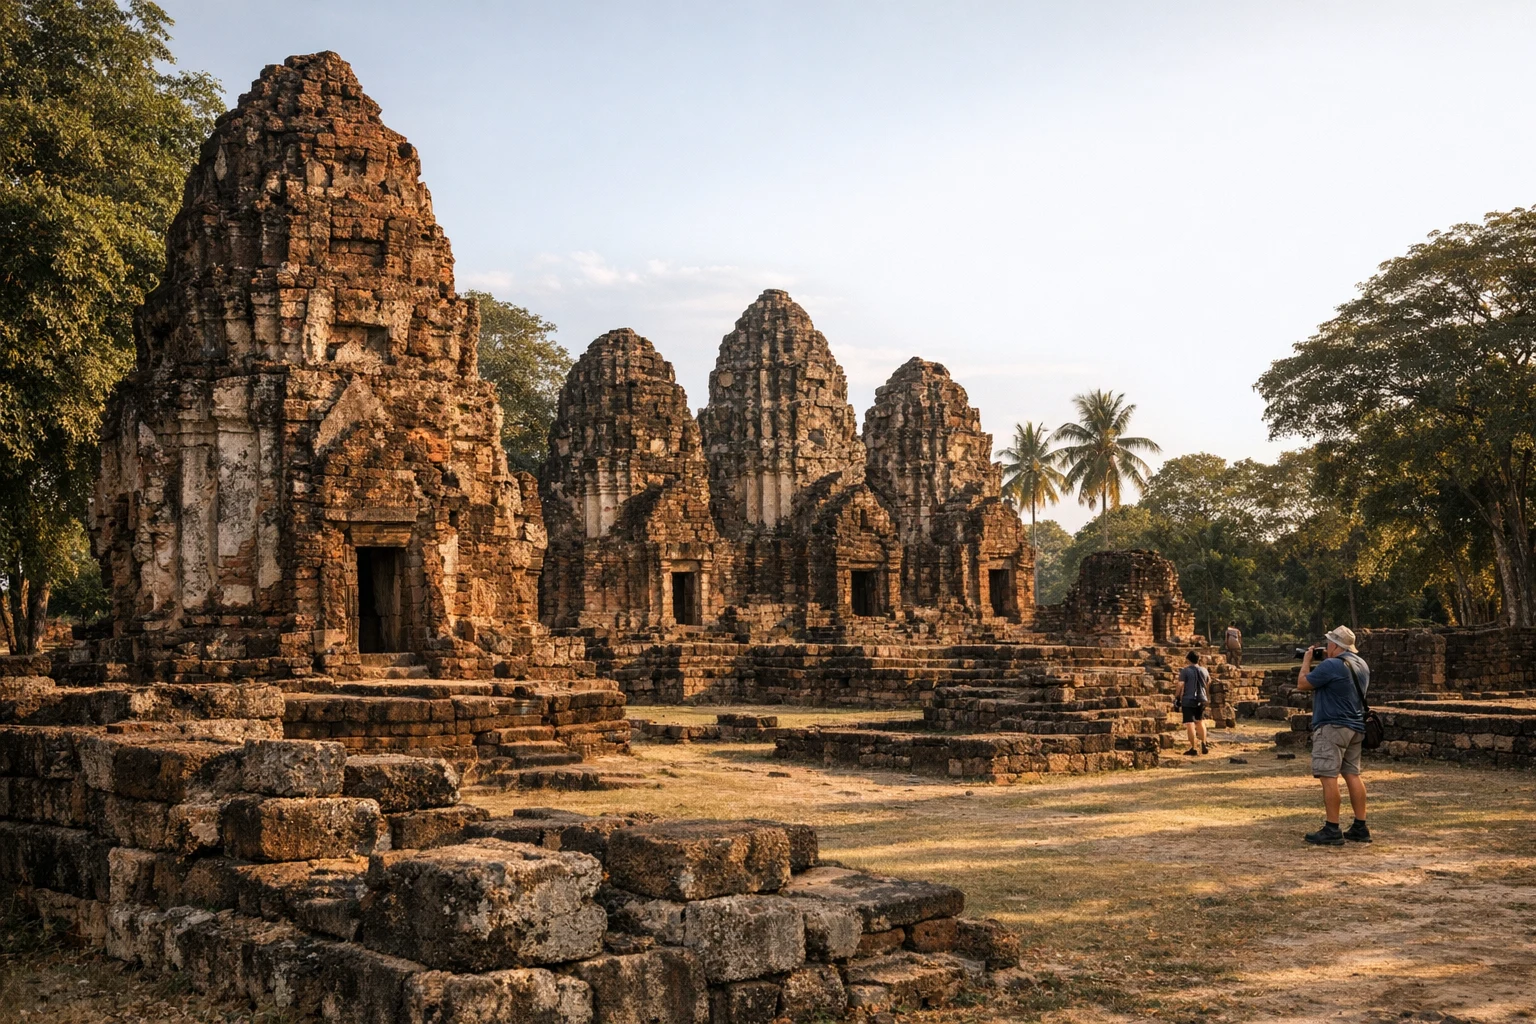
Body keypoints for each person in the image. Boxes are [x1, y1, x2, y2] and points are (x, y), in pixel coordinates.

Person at [1297, 626, 1371, 846]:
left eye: (1328, 643)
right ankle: (1360, 825)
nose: (1326, 646)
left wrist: (1306, 660)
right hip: (1355, 725)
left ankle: (1332, 828)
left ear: (1335, 646)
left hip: (1332, 726)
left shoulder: (1331, 665)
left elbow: (1303, 684)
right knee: (1352, 774)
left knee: (1328, 776)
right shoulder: (1362, 664)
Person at [1175, 650, 1210, 755]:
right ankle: (1204, 743)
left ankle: (1194, 747)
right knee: (1200, 721)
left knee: (1190, 723)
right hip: (1202, 698)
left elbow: (1180, 684)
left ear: (1188, 659)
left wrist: (1176, 697)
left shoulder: (1185, 671)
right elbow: (1208, 682)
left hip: (1188, 699)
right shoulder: (1204, 670)